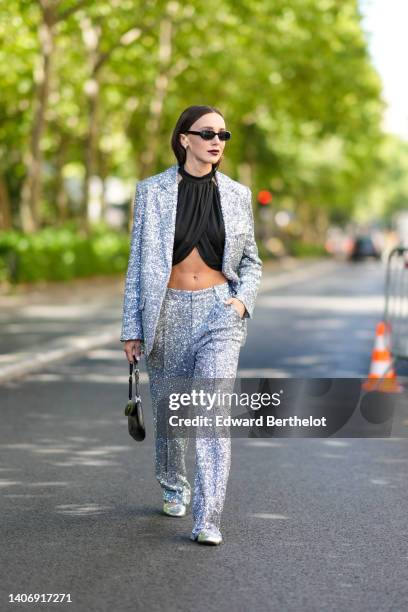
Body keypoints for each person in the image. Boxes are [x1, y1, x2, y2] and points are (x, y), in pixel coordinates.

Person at [121, 104, 262, 545]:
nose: (216, 141)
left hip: (220, 312)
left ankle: (208, 518)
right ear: (184, 138)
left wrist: (240, 304)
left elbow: (252, 262)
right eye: (207, 133)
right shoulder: (152, 191)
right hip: (166, 311)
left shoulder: (238, 195)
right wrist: (132, 326)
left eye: (223, 134)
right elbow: (137, 263)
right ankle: (173, 484)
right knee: (171, 414)